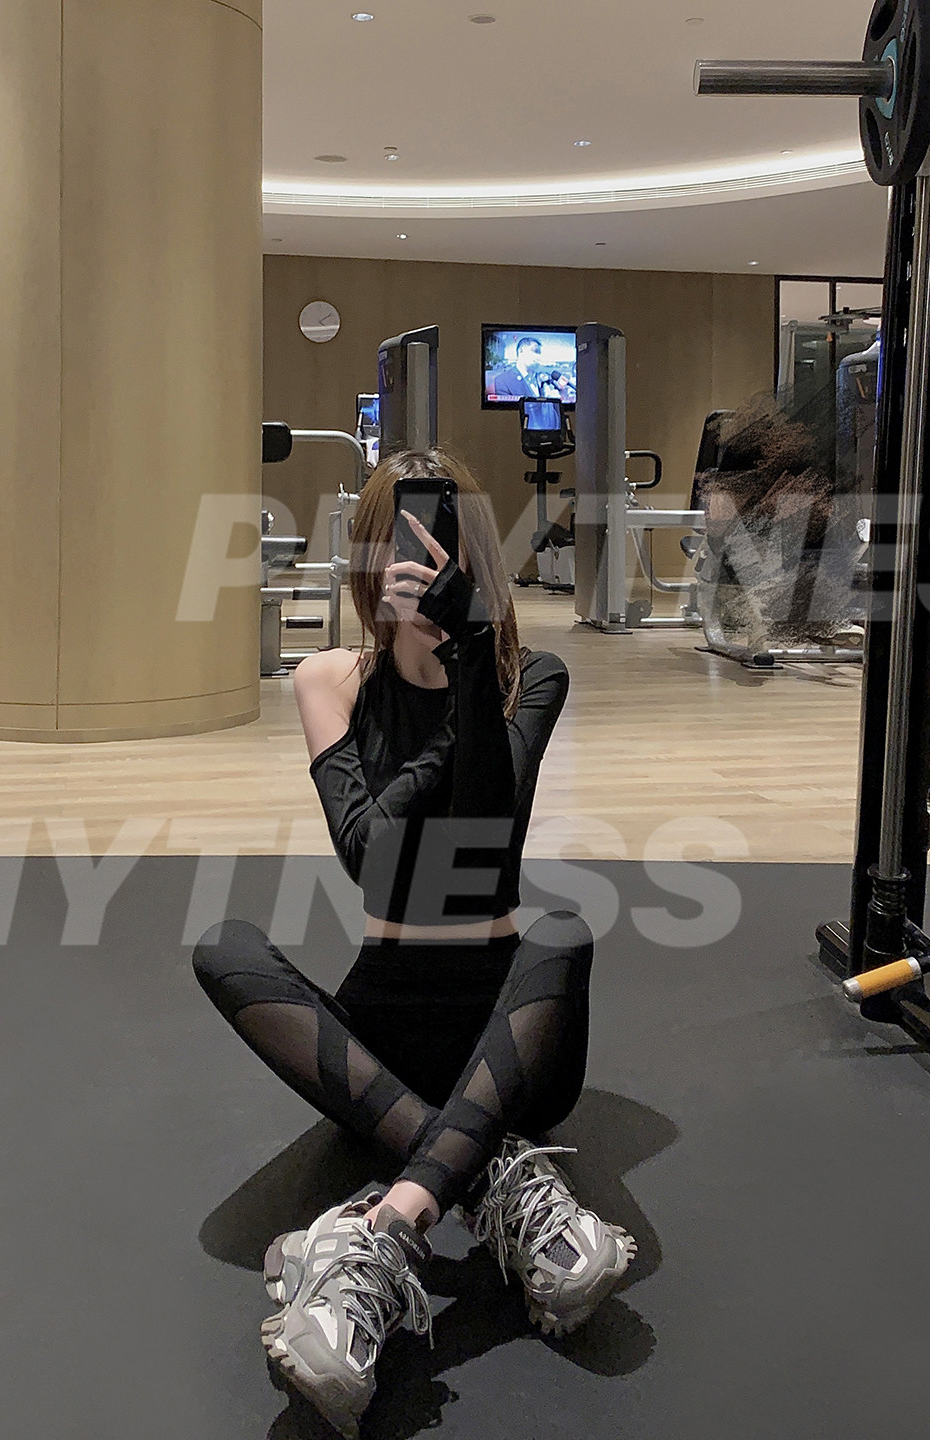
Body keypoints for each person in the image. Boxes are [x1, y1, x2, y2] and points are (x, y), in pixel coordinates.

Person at [193, 447, 634, 1438]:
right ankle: (488, 1176)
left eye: (444, 540)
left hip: (509, 1034)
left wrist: (470, 661)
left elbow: (484, 840)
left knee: (563, 932)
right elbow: (369, 858)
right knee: (224, 947)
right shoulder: (327, 680)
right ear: (370, 556)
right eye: (402, 540)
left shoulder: (531, 677)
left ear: (475, 556)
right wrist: (432, 694)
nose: (424, 558)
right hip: (386, 1023)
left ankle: (393, 1221)